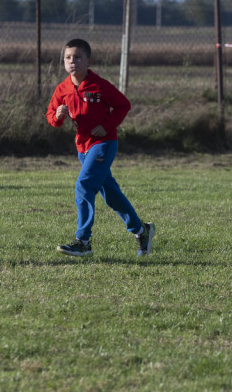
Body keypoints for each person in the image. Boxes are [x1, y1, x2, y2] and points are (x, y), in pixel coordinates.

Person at [46, 38, 154, 258]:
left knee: (84, 185)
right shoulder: (63, 88)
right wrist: (57, 117)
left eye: (77, 57)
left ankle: (83, 241)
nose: (72, 61)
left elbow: (124, 105)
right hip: (82, 148)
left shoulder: (99, 85)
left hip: (103, 145)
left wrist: (106, 126)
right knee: (110, 194)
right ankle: (142, 230)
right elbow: (51, 117)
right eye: (68, 57)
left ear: (89, 61)